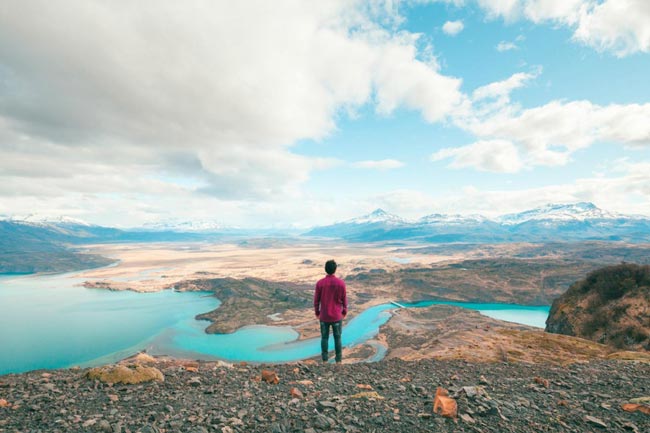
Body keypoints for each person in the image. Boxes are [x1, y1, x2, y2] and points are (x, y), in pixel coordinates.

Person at [314, 259, 347, 363]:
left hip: (324, 316)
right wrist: (344, 312)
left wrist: (317, 312)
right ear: (335, 269)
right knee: (337, 338)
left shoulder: (320, 283)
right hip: (337, 316)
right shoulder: (341, 283)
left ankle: (324, 361)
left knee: (324, 338)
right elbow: (344, 299)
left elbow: (316, 300)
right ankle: (339, 361)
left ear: (325, 269)